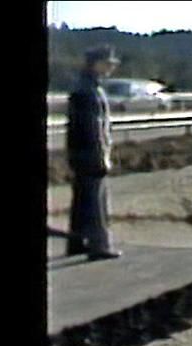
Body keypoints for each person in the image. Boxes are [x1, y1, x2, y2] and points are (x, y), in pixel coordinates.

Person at [66, 45, 122, 260]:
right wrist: (102, 156)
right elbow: (94, 128)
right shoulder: (89, 91)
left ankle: (77, 242)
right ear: (96, 63)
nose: (110, 68)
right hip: (90, 153)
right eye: (107, 63)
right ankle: (99, 245)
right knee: (96, 201)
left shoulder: (83, 87)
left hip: (79, 153)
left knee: (82, 200)